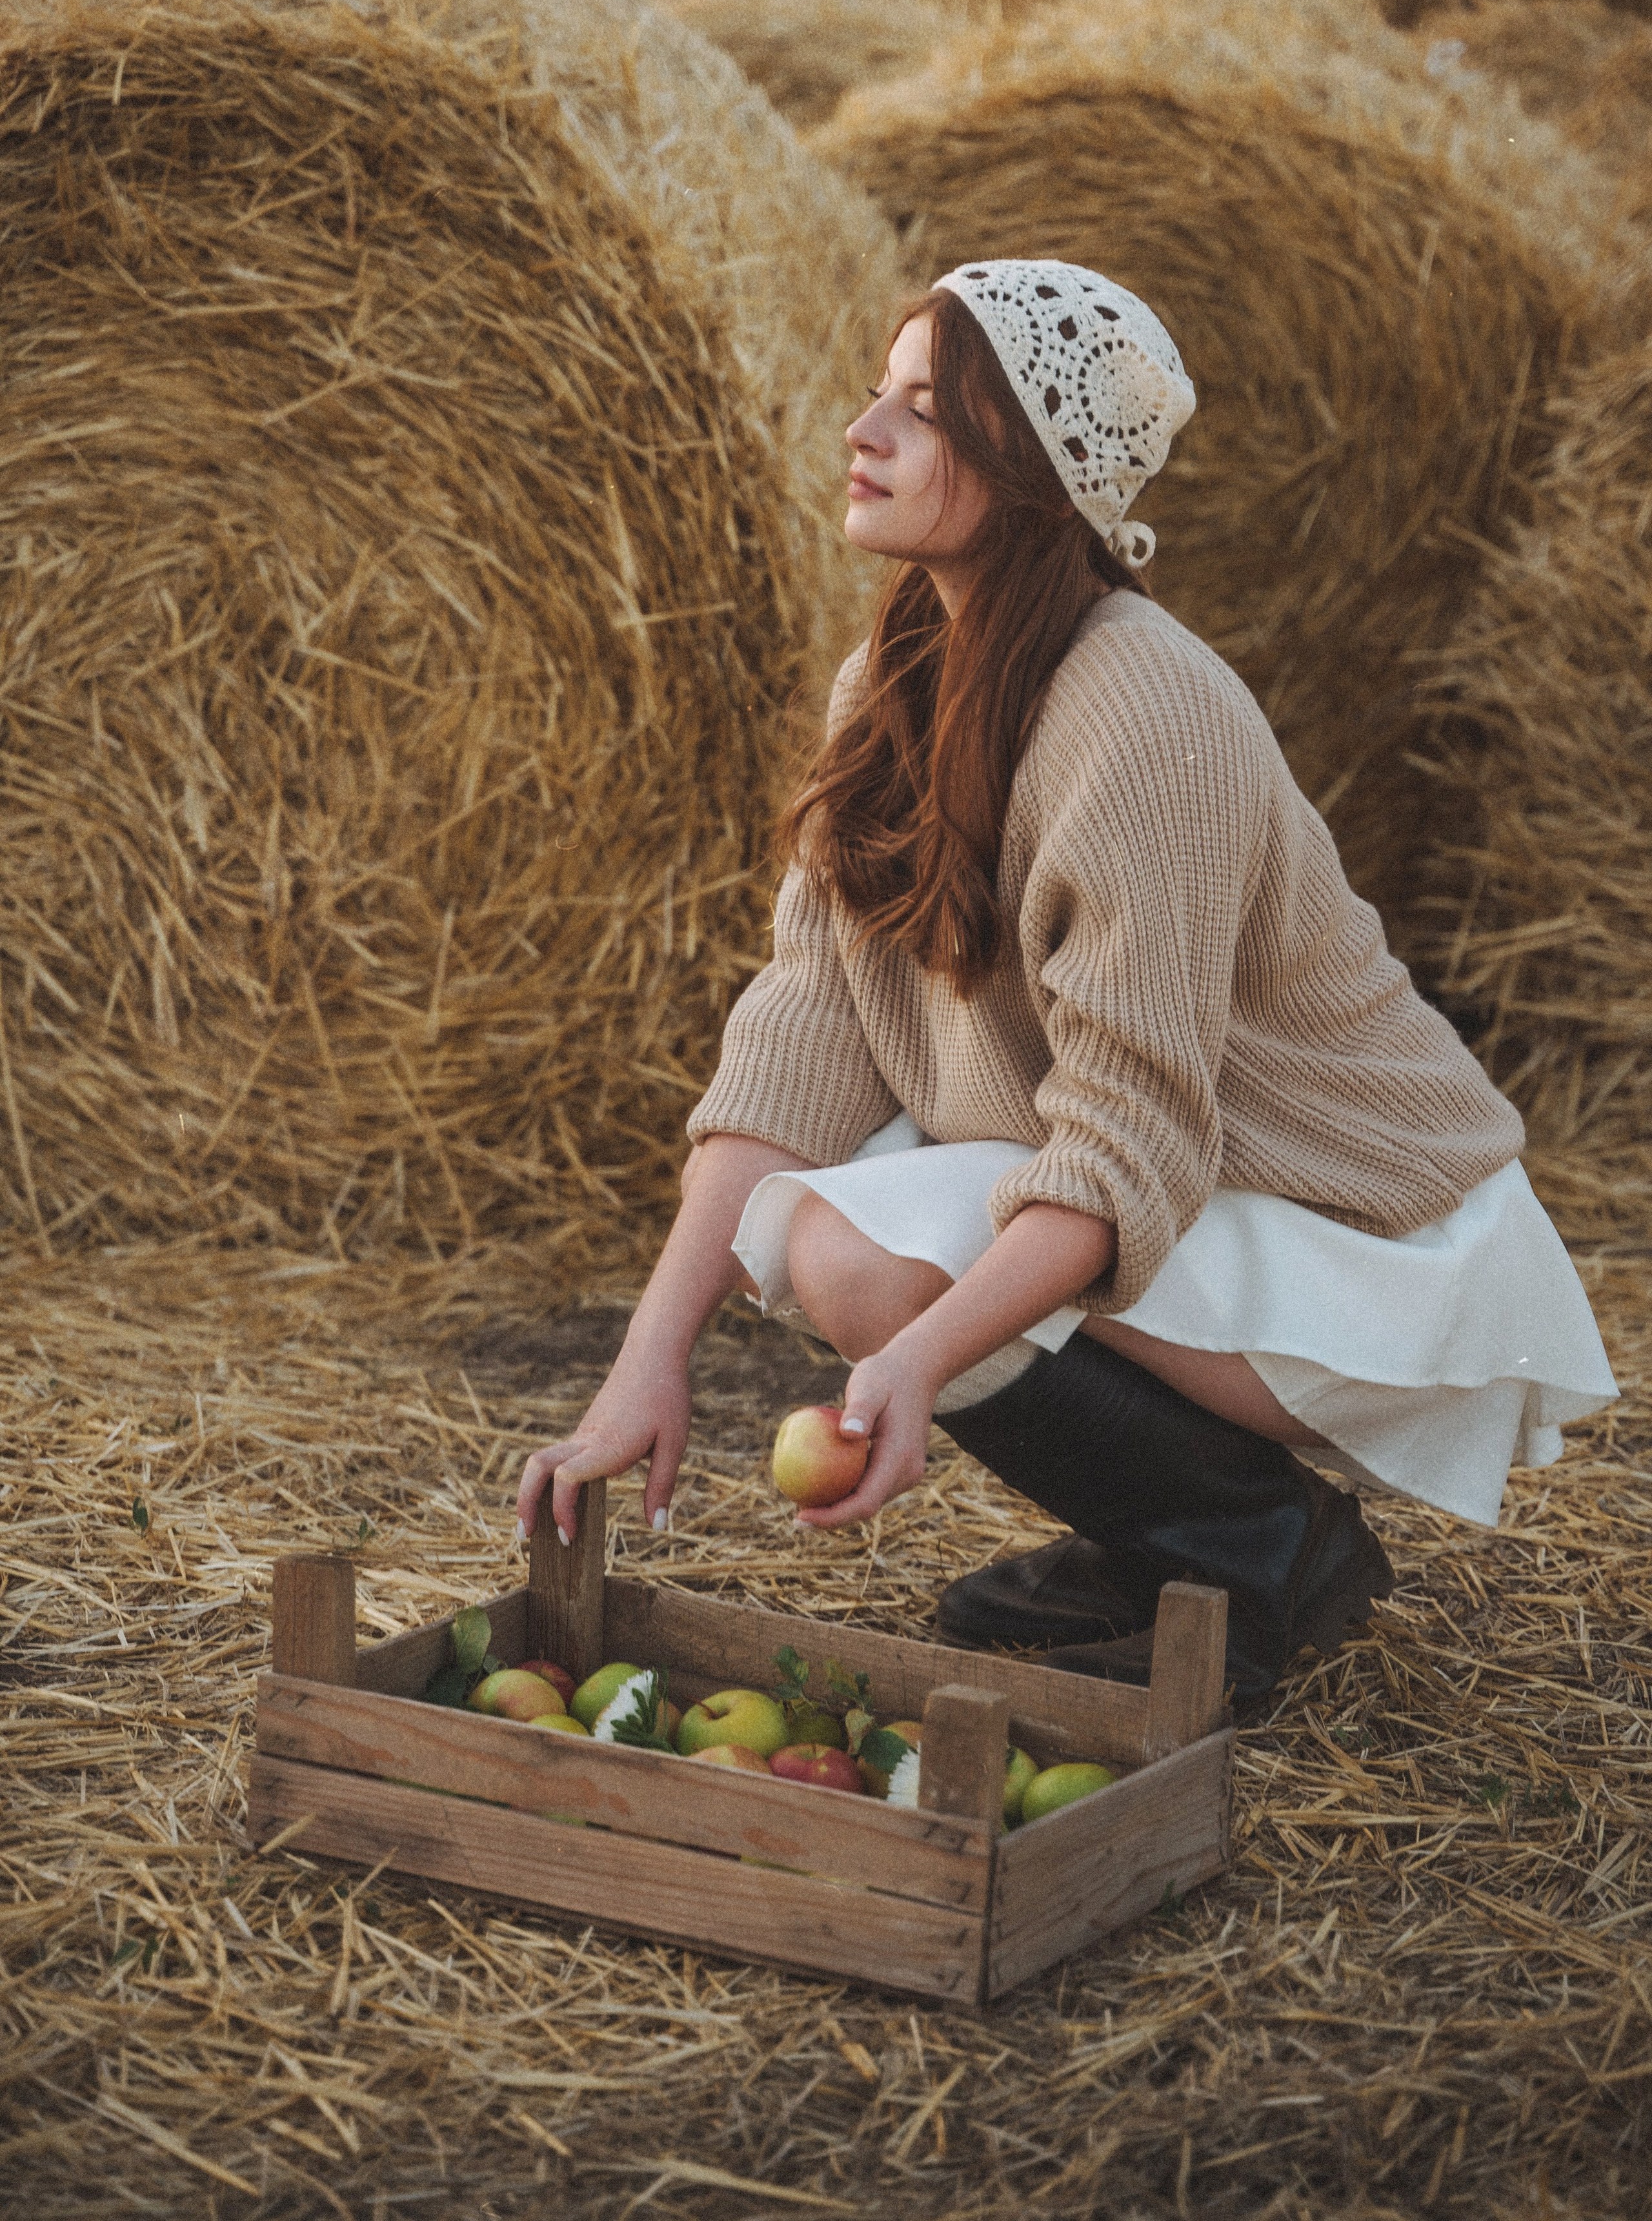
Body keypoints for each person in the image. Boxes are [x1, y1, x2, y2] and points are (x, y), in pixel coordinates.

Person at [515, 258, 1618, 1706]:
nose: (861, 430)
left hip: (1370, 1236)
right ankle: (1165, 1551)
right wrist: (644, 1363)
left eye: (924, 410)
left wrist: (917, 1359)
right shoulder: (896, 679)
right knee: (840, 1218)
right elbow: (799, 1045)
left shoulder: (1143, 709)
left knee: (862, 1257)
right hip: (1196, 1201)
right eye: (879, 390)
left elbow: (1125, 1144)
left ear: (1035, 470)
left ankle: (1257, 1549)